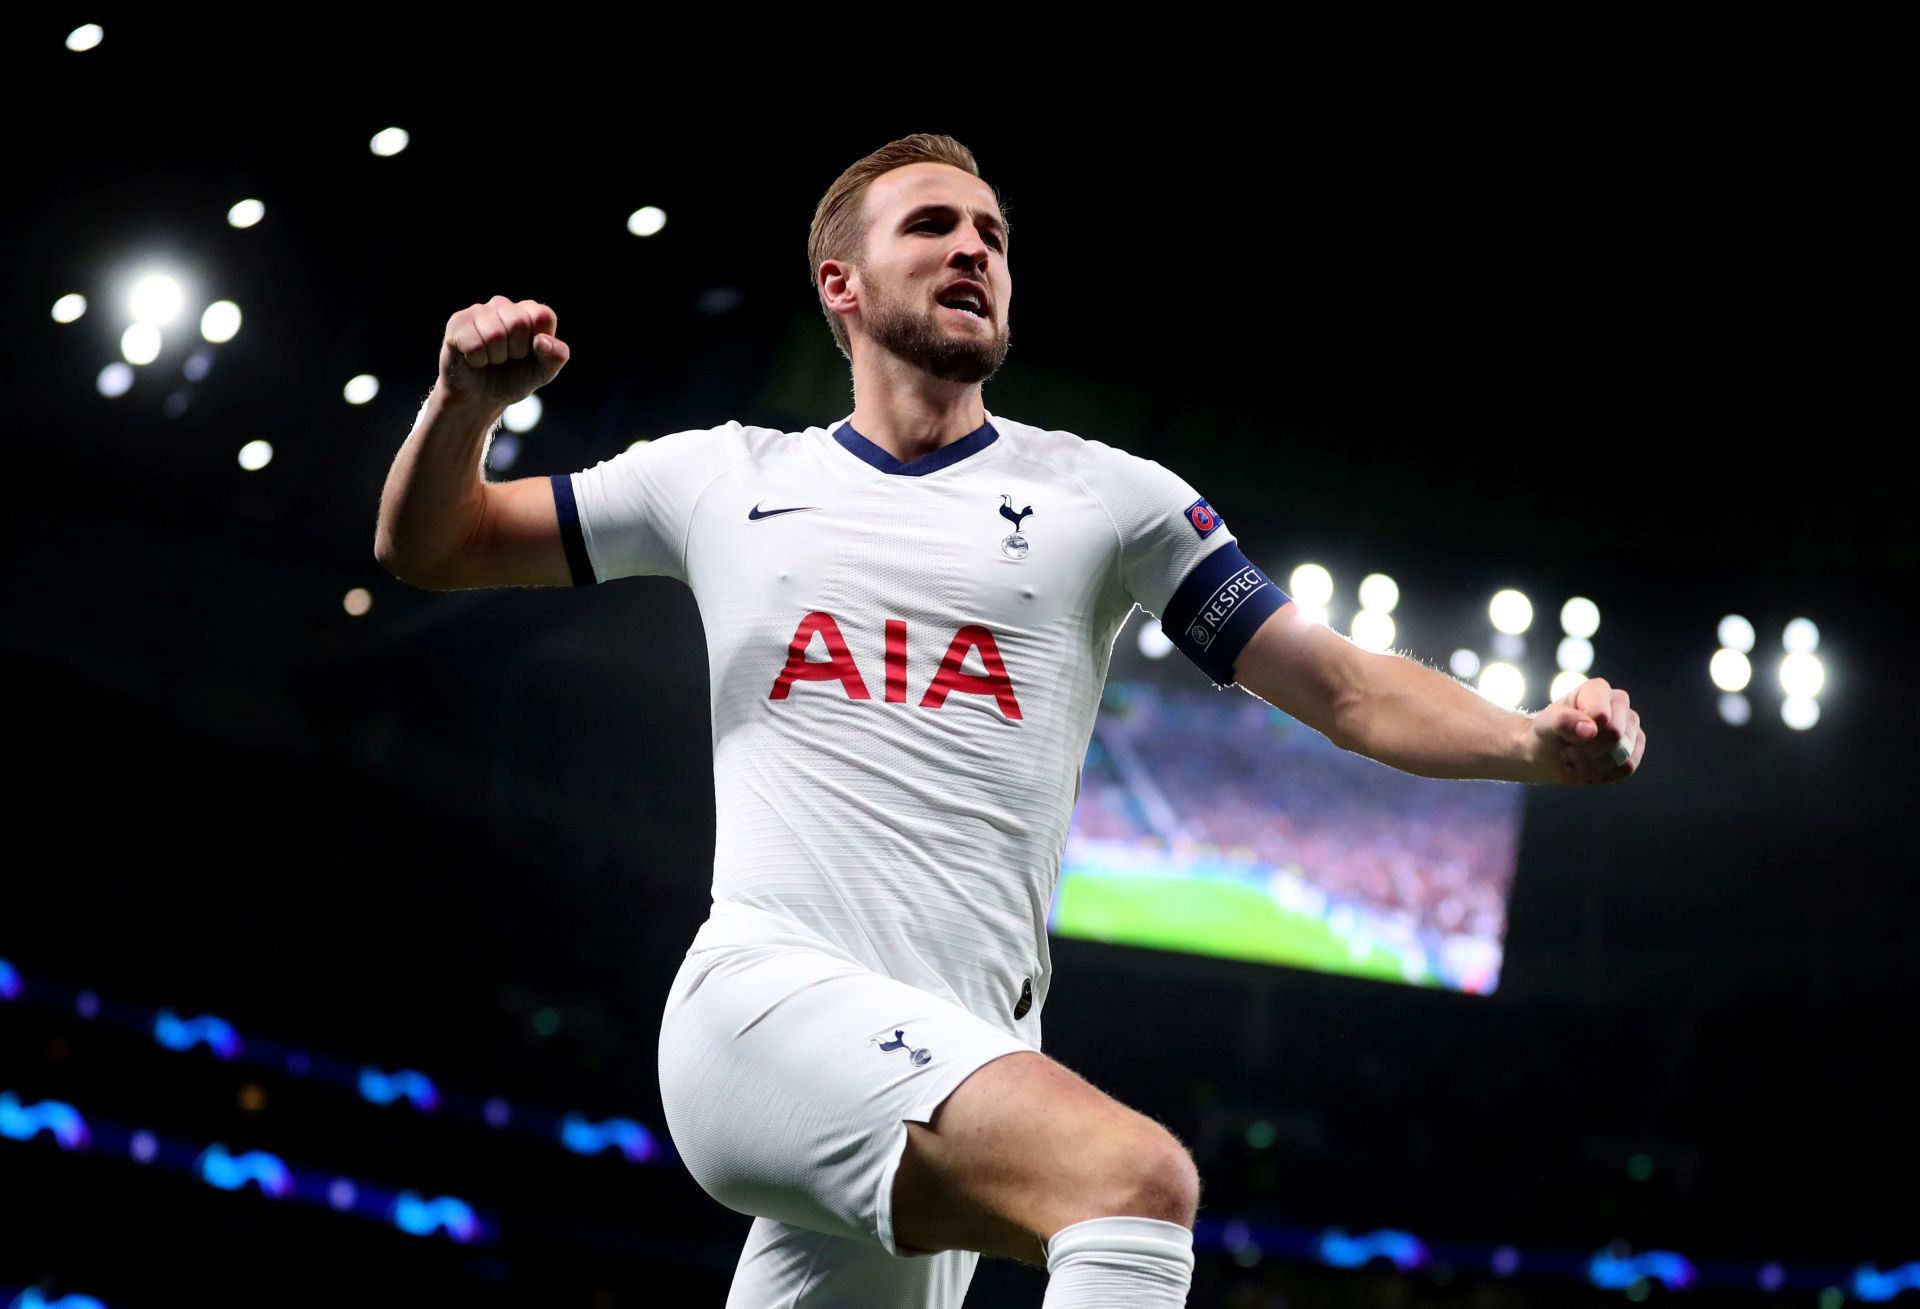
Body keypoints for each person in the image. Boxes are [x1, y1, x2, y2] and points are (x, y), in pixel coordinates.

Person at [373, 133, 1645, 1308]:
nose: (974, 246)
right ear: (841, 286)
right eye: (932, 225)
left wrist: (1531, 740)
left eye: (991, 230)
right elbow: (432, 543)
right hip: (763, 1007)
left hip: (961, 1055)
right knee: (1131, 1181)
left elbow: (1349, 689)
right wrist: (464, 403)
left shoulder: (1112, 502)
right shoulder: (721, 476)